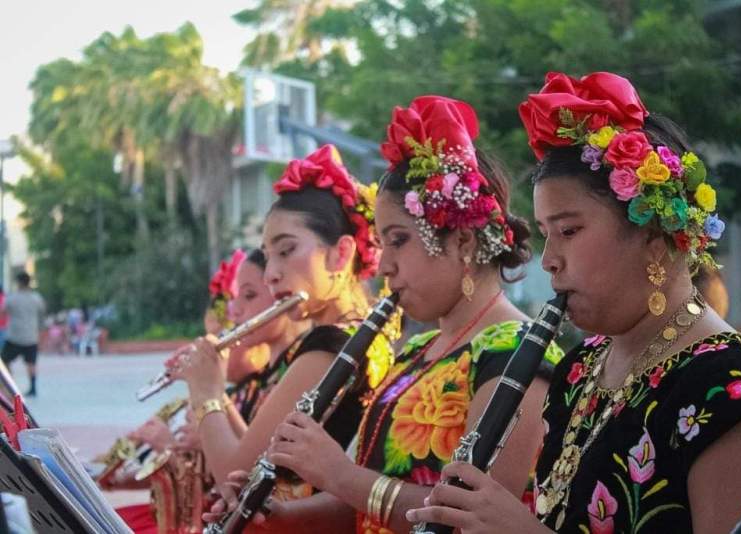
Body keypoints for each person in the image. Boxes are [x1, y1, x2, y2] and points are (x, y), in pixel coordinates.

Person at [405, 72, 741, 534]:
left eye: (569, 231)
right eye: (546, 234)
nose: (549, 260)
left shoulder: (737, 393)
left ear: (653, 237)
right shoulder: (579, 368)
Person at [210, 95, 564, 533]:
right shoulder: (415, 351)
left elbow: (475, 517)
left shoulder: (516, 353)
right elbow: (364, 504)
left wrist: (338, 473)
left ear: (463, 244)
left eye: (399, 240)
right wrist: (276, 516)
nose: (383, 266)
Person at [173, 144, 384, 497]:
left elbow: (234, 477)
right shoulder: (355, 335)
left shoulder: (330, 348)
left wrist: (205, 393)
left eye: (287, 251)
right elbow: (262, 454)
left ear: (341, 253)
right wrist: (220, 396)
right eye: (269, 257)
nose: (271, 274)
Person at [113, 248, 310, 533]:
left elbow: (240, 473)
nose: (236, 311)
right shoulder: (262, 381)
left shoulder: (293, 373)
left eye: (249, 295)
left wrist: (206, 397)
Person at [1, 272, 45, 397]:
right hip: (31, 336)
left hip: (14, 336)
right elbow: (42, 315)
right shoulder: (37, 298)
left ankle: (10, 385)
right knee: (31, 362)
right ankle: (33, 387)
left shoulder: (12, 298)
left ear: (19, 283)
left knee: (5, 361)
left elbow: (3, 312)